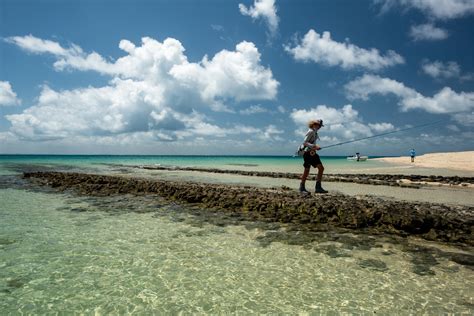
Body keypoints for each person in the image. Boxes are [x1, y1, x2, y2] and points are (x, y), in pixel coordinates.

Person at [299, 119, 328, 194]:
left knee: (321, 168)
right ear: (314, 124)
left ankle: (318, 187)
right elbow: (304, 143)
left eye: (320, 126)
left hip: (313, 153)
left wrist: (315, 148)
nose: (319, 127)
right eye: (318, 125)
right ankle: (301, 188)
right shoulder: (311, 131)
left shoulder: (315, 132)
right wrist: (315, 146)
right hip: (307, 153)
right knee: (307, 170)